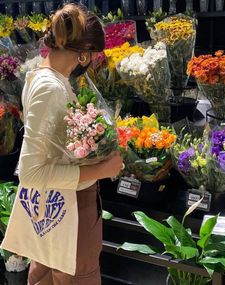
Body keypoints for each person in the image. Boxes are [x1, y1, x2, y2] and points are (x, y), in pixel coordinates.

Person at [1, 3, 123, 285]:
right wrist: (103, 169)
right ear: (84, 52)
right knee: (76, 276)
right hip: (69, 207)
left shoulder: (44, 78)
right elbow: (32, 173)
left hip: (56, 207)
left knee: (48, 273)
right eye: (94, 55)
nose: (94, 61)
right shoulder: (50, 87)